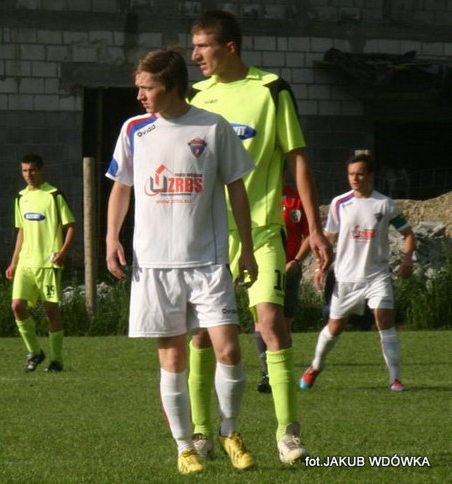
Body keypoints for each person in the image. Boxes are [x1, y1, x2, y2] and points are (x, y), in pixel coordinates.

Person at [187, 10, 334, 465]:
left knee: (270, 322)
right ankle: (201, 432)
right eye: (194, 46)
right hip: (208, 235)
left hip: (263, 231)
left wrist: (314, 227)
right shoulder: (194, 96)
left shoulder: (271, 89)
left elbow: (298, 158)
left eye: (203, 46)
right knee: (201, 336)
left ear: (230, 47)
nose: (195, 56)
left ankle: (288, 434)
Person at [105, 47, 258, 474]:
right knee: (172, 359)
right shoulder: (134, 129)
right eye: (138, 87)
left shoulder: (213, 126)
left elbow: (237, 188)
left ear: (171, 86)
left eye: (147, 87)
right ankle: (184, 447)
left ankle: (229, 431)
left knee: (229, 349)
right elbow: (121, 187)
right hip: (154, 265)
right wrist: (111, 238)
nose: (139, 95)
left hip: (208, 262)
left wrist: (246, 247)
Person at [300, 153, 415, 392]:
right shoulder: (339, 203)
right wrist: (320, 266)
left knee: (384, 319)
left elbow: (408, 234)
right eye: (351, 174)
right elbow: (328, 238)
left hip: (377, 275)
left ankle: (395, 379)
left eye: (360, 174)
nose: (355, 178)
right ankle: (315, 367)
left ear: (370, 175)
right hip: (346, 277)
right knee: (335, 327)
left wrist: (406, 259)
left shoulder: (385, 204)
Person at [5, 153, 76, 373]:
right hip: (25, 263)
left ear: (41, 170)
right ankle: (35, 351)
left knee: (51, 311)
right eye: (24, 170)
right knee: (17, 306)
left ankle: (56, 360)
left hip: (48, 264)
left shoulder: (53, 195)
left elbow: (70, 226)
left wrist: (63, 252)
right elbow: (21, 231)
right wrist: (14, 262)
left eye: (32, 170)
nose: (28, 174)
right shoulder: (20, 197)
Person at [256, 183, 310, 394]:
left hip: (289, 269)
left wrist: (296, 261)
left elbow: (309, 235)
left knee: (284, 324)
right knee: (261, 321)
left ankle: (281, 372)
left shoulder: (296, 199)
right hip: (263, 268)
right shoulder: (257, 194)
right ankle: (266, 374)